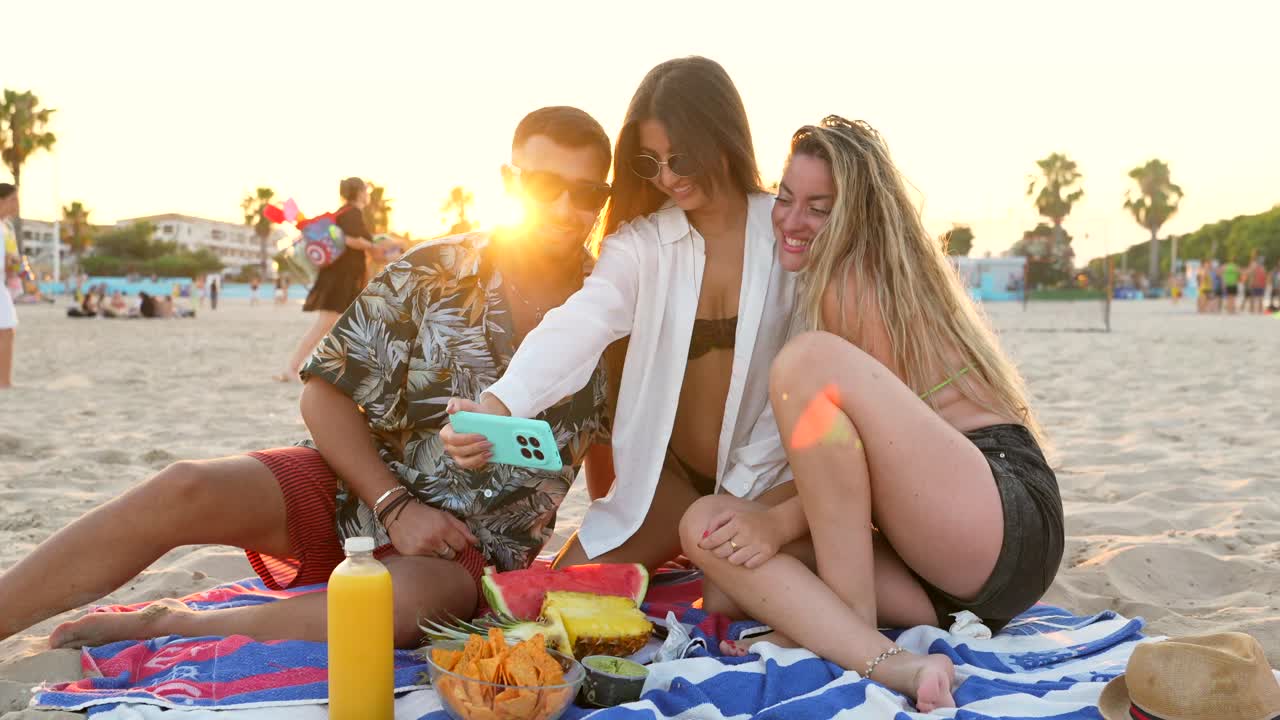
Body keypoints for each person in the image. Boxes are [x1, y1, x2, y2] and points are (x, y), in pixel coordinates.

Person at [0, 106, 615, 651]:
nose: (566, 208)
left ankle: (170, 625)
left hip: (463, 555)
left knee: (391, 605)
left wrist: (578, 573)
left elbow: (615, 472)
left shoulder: (615, 313)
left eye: (587, 192)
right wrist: (394, 504)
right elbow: (322, 396)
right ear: (511, 183)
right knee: (183, 485)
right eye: (545, 185)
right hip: (356, 484)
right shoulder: (436, 269)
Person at [677, 117, 1063, 711]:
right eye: (785, 198)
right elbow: (841, 469)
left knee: (804, 363)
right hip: (947, 577)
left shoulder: (857, 282)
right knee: (710, 536)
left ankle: (853, 640)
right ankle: (881, 652)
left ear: (854, 215)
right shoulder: (831, 280)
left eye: (818, 207)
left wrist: (776, 523)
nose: (792, 220)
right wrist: (757, 521)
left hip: (998, 508)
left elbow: (860, 462)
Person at [443, 57, 795, 572]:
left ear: (722, 138)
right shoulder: (641, 245)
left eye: (681, 159)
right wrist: (499, 403)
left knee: (733, 592)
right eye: (650, 163)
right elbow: (581, 323)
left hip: (770, 480)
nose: (668, 178)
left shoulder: (790, 232)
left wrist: (744, 498)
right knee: (557, 594)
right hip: (667, 479)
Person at [275, 179, 375, 381]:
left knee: (337, 326)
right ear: (358, 192)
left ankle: (298, 368)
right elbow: (354, 241)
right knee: (326, 325)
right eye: (365, 190)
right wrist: (368, 244)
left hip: (338, 277)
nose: (367, 193)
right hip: (342, 280)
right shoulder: (352, 213)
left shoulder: (341, 213)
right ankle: (292, 368)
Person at [0, 184, 19, 388]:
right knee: (6, 329)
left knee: (6, 330)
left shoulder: (6, 227)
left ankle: (4, 381)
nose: (17, 204)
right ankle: (3, 382)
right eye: (13, 199)